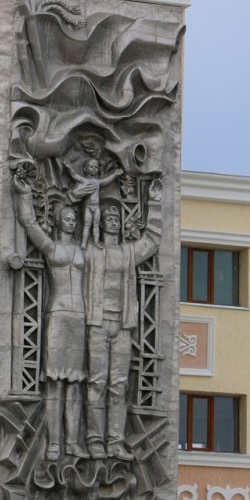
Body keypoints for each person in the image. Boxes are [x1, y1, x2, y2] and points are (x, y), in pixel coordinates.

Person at [13, 170, 88, 461]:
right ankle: (54, 443)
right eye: (67, 218)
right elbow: (29, 224)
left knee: (75, 382)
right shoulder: (51, 247)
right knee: (55, 381)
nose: (71, 221)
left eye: (74, 218)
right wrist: (24, 194)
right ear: (58, 221)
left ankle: (73, 442)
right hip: (57, 314)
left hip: (79, 317)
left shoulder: (84, 249)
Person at [84, 187, 161, 460]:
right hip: (96, 325)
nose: (114, 221)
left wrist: (155, 201)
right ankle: (94, 439)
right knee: (96, 384)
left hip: (122, 326)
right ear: (100, 222)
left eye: (117, 218)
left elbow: (152, 240)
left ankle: (115, 442)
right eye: (109, 217)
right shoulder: (90, 252)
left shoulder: (128, 253)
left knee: (118, 386)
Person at [62, 158, 123, 249]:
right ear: (85, 169)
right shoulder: (84, 180)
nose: (94, 169)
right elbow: (75, 175)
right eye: (92, 167)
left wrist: (115, 174)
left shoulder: (98, 181)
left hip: (96, 206)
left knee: (96, 225)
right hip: (88, 206)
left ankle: (96, 242)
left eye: (96, 167)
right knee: (87, 225)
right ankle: (83, 243)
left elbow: (107, 180)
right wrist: (69, 168)